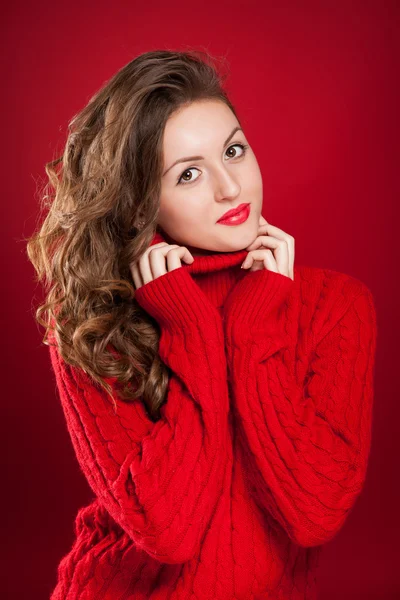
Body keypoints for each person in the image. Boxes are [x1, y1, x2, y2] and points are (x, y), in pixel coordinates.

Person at [26, 49, 377, 600]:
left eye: (233, 150)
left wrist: (249, 331)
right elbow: (167, 531)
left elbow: (316, 514)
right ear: (141, 203)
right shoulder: (93, 322)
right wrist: (190, 329)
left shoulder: (338, 306)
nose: (230, 188)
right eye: (188, 174)